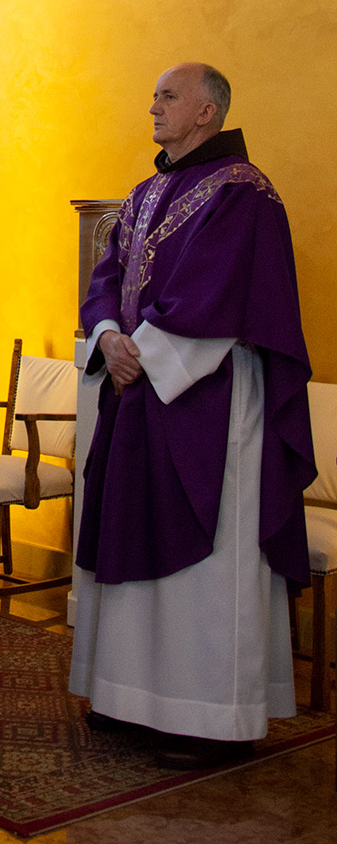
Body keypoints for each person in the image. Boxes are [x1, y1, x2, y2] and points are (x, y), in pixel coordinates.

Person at [69, 63, 315, 770]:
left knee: (206, 557)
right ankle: (128, 696)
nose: (153, 106)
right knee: (133, 533)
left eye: (168, 96)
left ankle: (207, 715)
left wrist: (140, 354)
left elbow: (220, 289)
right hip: (138, 387)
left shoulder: (244, 193)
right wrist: (107, 337)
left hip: (206, 395)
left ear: (207, 111)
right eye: (154, 95)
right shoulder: (143, 193)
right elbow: (106, 276)